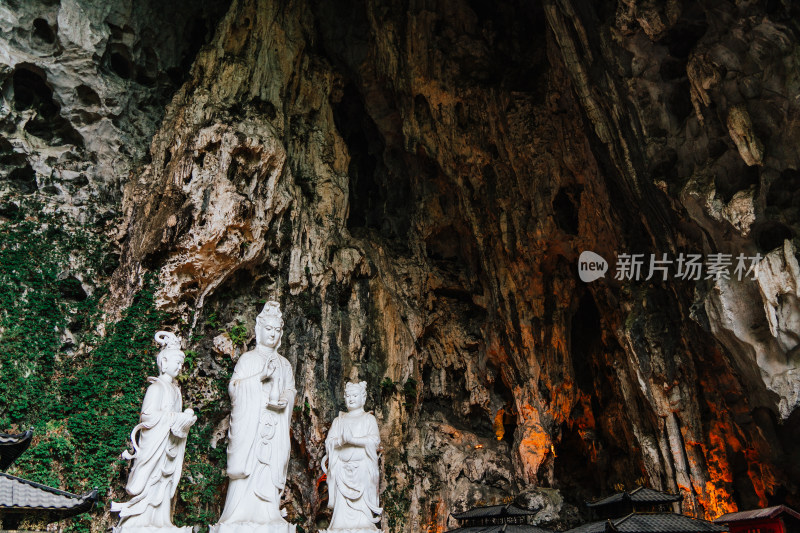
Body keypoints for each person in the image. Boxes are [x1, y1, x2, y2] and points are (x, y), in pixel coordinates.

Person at [212, 302, 296, 533]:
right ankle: (237, 513)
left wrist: (284, 401)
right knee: (248, 470)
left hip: (274, 424)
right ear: (259, 330)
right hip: (252, 427)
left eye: (276, 330)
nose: (272, 333)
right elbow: (235, 388)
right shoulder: (248, 359)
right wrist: (260, 377)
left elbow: (290, 391)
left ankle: (269, 513)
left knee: (269, 468)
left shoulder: (285, 364)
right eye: (268, 328)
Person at [111, 331, 197, 533]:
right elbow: (147, 416)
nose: (179, 366)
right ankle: (139, 520)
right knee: (150, 482)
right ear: (164, 361)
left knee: (164, 483)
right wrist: (174, 417)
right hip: (155, 444)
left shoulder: (176, 390)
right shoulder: (156, 387)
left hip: (169, 445)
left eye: (181, 363)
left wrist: (184, 420)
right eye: (176, 361)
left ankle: (161, 521)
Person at [322, 381, 382, 532]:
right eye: (348, 396)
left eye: (355, 395)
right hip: (342, 468)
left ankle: (365, 524)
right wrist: (340, 441)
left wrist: (353, 440)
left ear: (363, 398)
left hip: (361, 468)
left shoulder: (369, 419)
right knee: (341, 510)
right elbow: (329, 442)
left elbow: (374, 441)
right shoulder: (339, 421)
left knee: (362, 509)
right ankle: (339, 525)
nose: (351, 399)